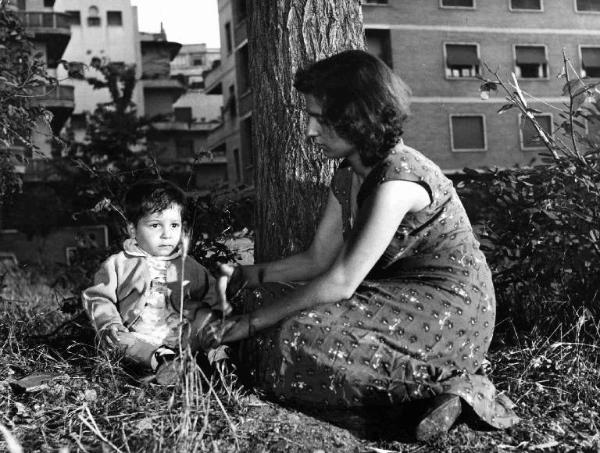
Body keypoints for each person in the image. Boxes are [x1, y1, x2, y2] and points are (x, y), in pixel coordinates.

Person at [209, 49, 518, 440]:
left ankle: (451, 390)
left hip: (451, 310)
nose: (308, 132)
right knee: (264, 312)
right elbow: (318, 258)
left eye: (320, 120)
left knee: (291, 336)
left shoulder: (399, 180)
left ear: (357, 118)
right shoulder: (348, 173)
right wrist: (246, 276)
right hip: (395, 298)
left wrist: (250, 324)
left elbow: (340, 281)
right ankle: (423, 400)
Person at [82, 179, 230, 384]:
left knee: (206, 323)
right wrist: (110, 323)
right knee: (118, 340)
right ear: (133, 230)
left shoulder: (190, 266)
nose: (166, 234)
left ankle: (217, 360)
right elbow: (98, 297)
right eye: (155, 225)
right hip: (138, 339)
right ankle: (161, 361)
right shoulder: (119, 264)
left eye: (174, 225)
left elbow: (212, 296)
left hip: (181, 337)